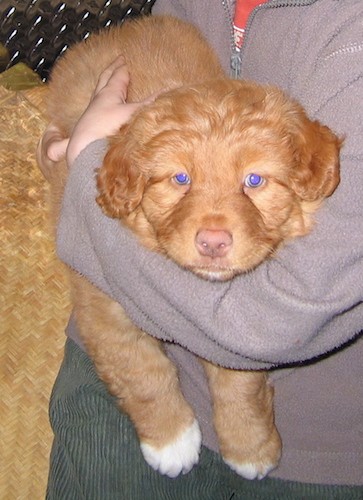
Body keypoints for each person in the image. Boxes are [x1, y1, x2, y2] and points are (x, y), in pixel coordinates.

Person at [39, 0, 363, 498]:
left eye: (255, 180)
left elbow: (279, 317)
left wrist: (83, 161)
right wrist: (65, 150)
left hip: (314, 437)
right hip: (125, 366)